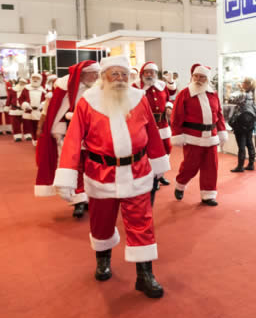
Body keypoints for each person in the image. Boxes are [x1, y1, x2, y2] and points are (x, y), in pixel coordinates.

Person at [53, 55, 170, 298]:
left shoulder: (139, 99)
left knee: (142, 223)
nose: (120, 79)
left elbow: (152, 132)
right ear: (103, 77)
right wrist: (66, 176)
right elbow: (73, 140)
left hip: (138, 172)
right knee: (102, 223)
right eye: (114, 74)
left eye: (124, 74)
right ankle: (102, 259)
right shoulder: (88, 102)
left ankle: (145, 274)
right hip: (100, 175)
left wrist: (159, 163)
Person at [35, 60, 100, 218]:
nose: (96, 76)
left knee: (92, 166)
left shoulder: (99, 88)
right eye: (93, 73)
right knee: (74, 167)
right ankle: (77, 200)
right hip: (69, 133)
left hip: (94, 134)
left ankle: (90, 197)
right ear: (83, 74)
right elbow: (53, 111)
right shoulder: (64, 89)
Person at [171, 64, 228, 206]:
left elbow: (219, 115)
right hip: (193, 137)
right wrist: (177, 134)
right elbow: (177, 116)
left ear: (207, 78)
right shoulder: (184, 94)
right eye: (196, 76)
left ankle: (208, 195)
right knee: (190, 166)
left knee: (211, 166)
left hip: (212, 136)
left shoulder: (213, 94)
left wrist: (222, 131)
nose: (198, 79)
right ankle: (180, 184)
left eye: (202, 77)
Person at [134, 61, 176, 190]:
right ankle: (151, 178)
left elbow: (169, 99)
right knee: (150, 152)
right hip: (147, 126)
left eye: (153, 72)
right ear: (142, 74)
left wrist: (169, 106)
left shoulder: (162, 85)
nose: (150, 75)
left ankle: (160, 174)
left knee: (167, 149)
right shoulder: (135, 87)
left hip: (163, 124)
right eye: (147, 72)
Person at [229, 77, 256, 172]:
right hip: (250, 123)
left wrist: (230, 90)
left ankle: (240, 166)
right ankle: (251, 164)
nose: (241, 83)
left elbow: (230, 100)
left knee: (241, 144)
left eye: (243, 82)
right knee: (249, 143)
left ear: (246, 84)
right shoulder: (253, 95)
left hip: (241, 123)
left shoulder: (243, 95)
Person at [19, 73, 46, 146]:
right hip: (29, 111)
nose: (35, 80)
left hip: (39, 111)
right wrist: (24, 104)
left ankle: (39, 141)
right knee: (31, 127)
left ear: (40, 80)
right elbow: (21, 99)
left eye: (37, 78)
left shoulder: (43, 89)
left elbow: (46, 100)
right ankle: (35, 140)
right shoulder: (26, 88)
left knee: (40, 127)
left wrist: (43, 104)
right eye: (33, 78)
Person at [8, 78, 28, 142]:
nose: (22, 84)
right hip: (15, 109)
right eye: (21, 82)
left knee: (27, 123)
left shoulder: (27, 90)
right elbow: (9, 98)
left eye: (23, 83)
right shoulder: (13, 90)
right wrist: (7, 105)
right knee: (15, 124)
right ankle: (17, 136)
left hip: (25, 109)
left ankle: (27, 135)